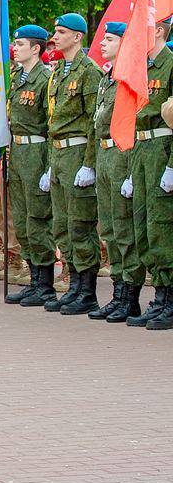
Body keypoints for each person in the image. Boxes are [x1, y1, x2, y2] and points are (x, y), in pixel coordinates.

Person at [41, 13, 104, 314]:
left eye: (62, 32)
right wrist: (53, 162)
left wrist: (89, 163)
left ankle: (87, 290)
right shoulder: (59, 72)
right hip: (60, 153)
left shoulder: (87, 70)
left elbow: (94, 122)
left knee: (80, 224)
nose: (55, 36)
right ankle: (74, 283)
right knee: (62, 226)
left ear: (78, 37)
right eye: (55, 31)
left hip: (79, 152)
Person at [4, 25, 57, 306]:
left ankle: (45, 284)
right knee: (22, 221)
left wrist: (49, 165)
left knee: (38, 220)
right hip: (19, 151)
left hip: (37, 151)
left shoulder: (44, 79)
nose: (16, 47)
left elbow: (51, 125)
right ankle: (34, 280)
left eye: (21, 44)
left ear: (36, 48)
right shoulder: (16, 78)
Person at [127, 16, 173, 328]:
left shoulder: (170, 64)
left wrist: (171, 167)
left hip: (161, 148)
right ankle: (159, 295)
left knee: (161, 226)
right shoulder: (140, 66)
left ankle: (169, 299)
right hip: (141, 149)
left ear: (158, 31)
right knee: (143, 225)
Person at [91, 22, 138, 321]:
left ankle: (130, 297)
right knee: (108, 227)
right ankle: (118, 292)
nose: (103, 43)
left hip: (122, 154)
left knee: (124, 229)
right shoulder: (108, 76)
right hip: (104, 153)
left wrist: (132, 171)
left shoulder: (131, 76)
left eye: (109, 39)